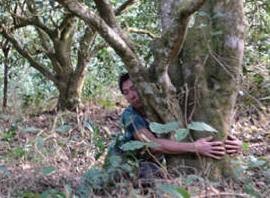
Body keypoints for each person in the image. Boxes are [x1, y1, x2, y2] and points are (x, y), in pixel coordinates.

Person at [84, 73, 241, 188]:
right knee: (146, 174)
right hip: (122, 160)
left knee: (152, 172)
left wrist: (233, 143)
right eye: (126, 92)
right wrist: (195, 147)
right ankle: (90, 180)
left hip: (151, 162)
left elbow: (201, 128)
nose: (132, 95)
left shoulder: (165, 106)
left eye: (134, 88)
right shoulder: (130, 115)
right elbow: (151, 144)